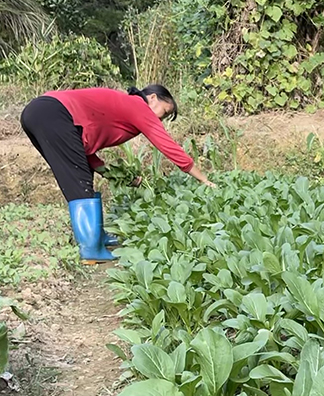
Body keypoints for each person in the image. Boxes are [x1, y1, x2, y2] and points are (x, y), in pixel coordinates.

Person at [20, 84, 215, 263]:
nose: (160, 120)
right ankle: (90, 250)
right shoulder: (138, 105)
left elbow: (84, 152)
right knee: (77, 180)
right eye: (164, 113)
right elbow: (167, 145)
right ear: (153, 97)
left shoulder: (124, 107)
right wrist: (203, 178)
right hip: (53, 113)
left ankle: (96, 237)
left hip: (41, 113)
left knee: (82, 171)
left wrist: (117, 175)